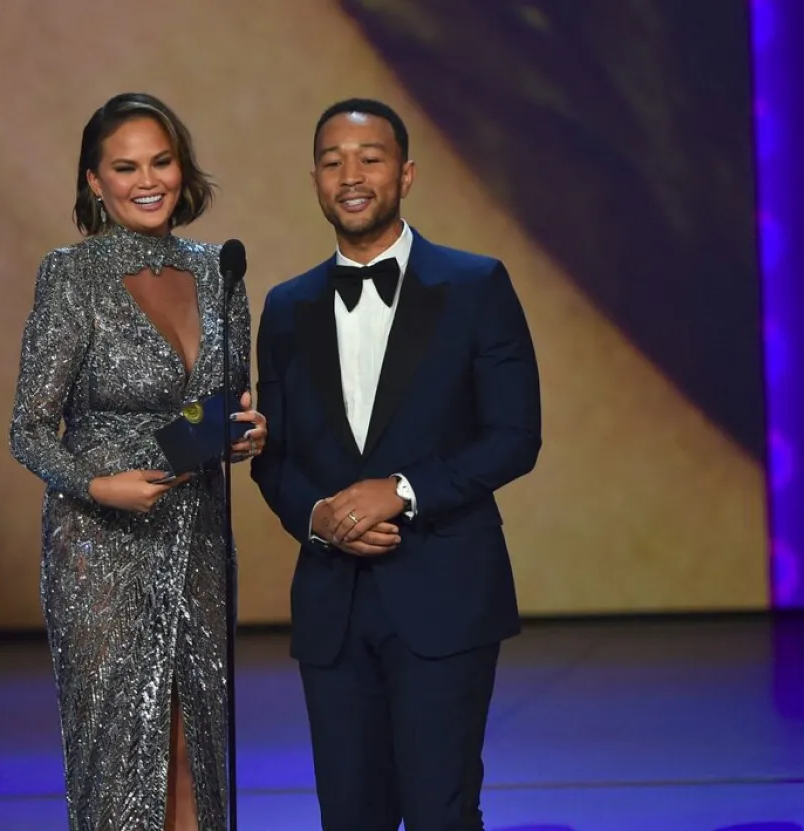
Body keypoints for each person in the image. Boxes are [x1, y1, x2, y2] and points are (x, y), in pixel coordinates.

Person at [250, 98, 542, 830]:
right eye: (332, 161)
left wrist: (403, 492)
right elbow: (271, 456)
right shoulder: (286, 308)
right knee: (349, 816)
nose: (351, 175)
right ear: (315, 180)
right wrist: (319, 516)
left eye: (370, 157)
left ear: (405, 173)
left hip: (445, 593)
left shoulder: (476, 285)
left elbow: (515, 434)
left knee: (440, 813)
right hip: (333, 607)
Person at [9, 92, 266, 831]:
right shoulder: (71, 276)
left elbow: (215, 404)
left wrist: (242, 432)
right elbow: (28, 430)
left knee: (197, 745)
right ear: (95, 182)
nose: (147, 180)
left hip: (199, 535)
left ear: (182, 169)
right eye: (125, 167)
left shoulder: (222, 269)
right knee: (123, 754)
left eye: (161, 161)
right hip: (101, 547)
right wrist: (97, 485)